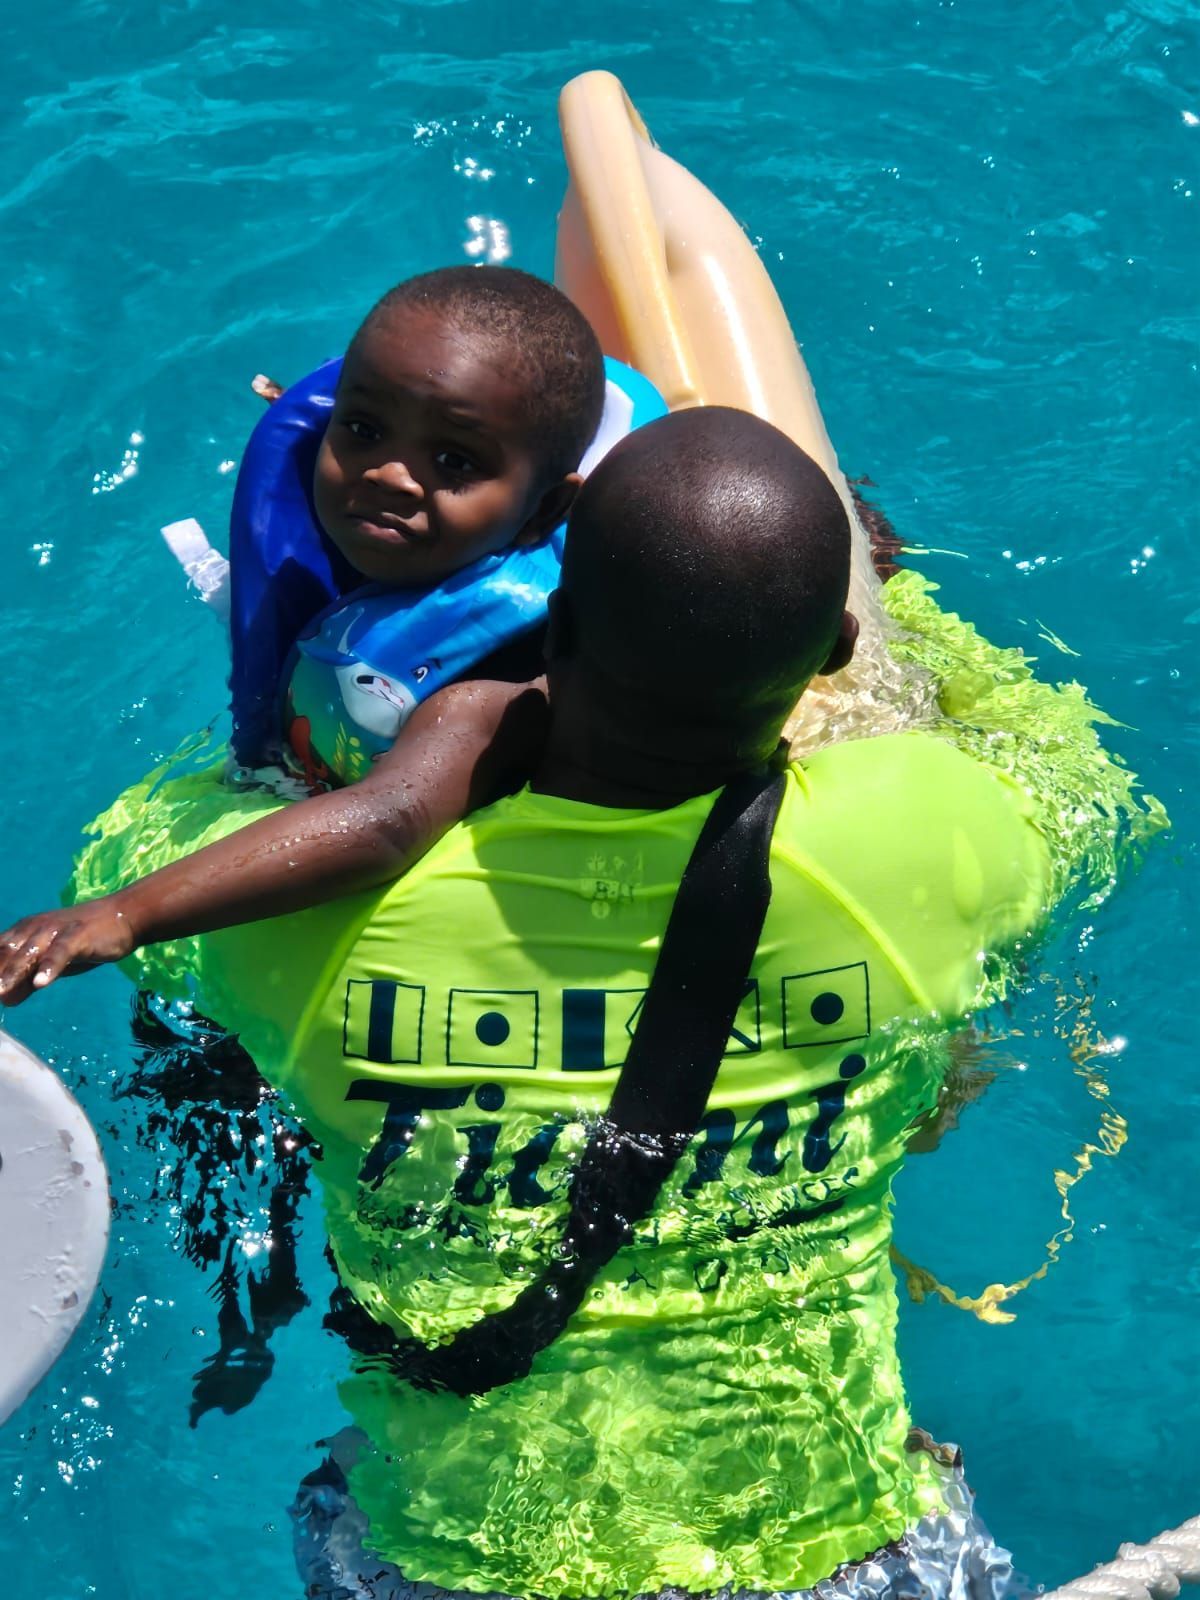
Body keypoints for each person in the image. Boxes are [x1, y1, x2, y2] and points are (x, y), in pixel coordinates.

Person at [9, 407, 1052, 1595]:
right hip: (844, 1557)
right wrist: (901, 609)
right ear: (827, 657)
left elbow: (124, 856)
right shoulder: (947, 841)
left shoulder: (291, 921)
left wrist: (386, 732)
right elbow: (1060, 761)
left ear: (549, 617)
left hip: (461, 1566)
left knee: (355, 1481)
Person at [0, 265, 621, 1002]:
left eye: (453, 460)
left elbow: (391, 821)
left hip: (415, 949)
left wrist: (127, 913)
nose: (389, 472)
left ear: (545, 511)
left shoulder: (505, 675)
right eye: (362, 428)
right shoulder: (388, 552)